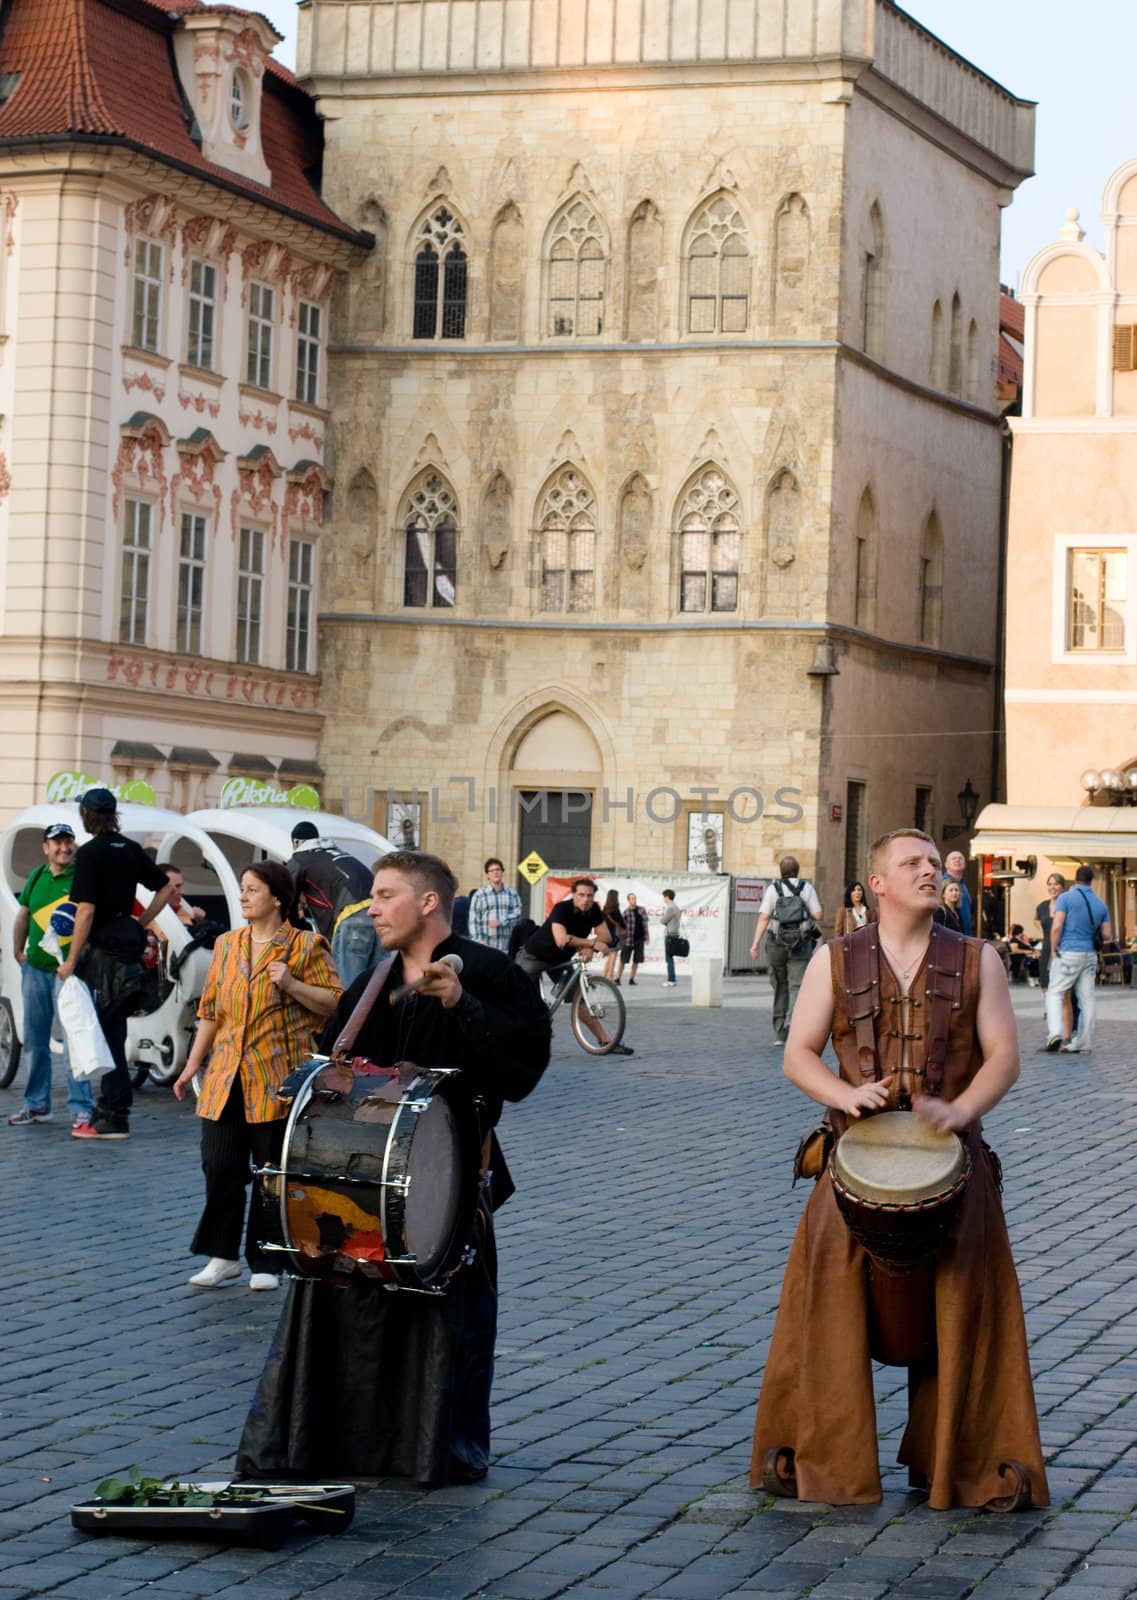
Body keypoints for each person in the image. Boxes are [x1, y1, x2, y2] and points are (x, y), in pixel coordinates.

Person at [751, 828, 1048, 1511]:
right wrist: (843, 1095)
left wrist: (960, 1109)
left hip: (956, 1171)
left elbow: (1002, 1055)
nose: (928, 871)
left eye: (931, 862)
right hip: (849, 1169)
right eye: (909, 863)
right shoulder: (834, 959)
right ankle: (830, 1465)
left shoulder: (980, 959)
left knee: (964, 1319)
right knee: (828, 1321)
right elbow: (797, 1053)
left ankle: (961, 1466)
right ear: (876, 883)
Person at [236, 849, 552, 1485]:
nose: (371, 908)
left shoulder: (491, 973)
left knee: (438, 1319)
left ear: (428, 902)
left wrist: (462, 1004)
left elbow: (521, 1071)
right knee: (344, 1313)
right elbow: (335, 1071)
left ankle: (426, 1450)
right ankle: (332, 1445)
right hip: (354, 1189)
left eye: (384, 896)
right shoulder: (373, 983)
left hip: (447, 1187)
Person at [172, 861, 342, 1291]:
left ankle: (267, 1259)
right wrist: (192, 1064)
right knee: (220, 1166)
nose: (244, 896)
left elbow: (335, 1005)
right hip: (225, 1077)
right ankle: (222, 1256)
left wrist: (291, 984)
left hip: (276, 1080)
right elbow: (210, 1010)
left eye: (252, 890)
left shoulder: (305, 946)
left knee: (272, 1173)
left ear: (277, 899)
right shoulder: (228, 945)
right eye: (243, 889)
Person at [56, 788, 176, 1140]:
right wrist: (140, 922)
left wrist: (72, 959)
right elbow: (166, 887)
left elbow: (86, 910)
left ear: (86, 815)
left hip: (103, 955)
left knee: (106, 1034)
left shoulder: (91, 853)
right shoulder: (131, 849)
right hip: (126, 950)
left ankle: (114, 1113)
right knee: (114, 1031)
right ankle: (111, 1108)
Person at [7, 823, 95, 1133]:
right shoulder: (36, 876)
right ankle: (37, 1105)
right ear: (46, 848)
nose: (64, 848)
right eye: (57, 843)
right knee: (34, 1040)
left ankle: (83, 1109)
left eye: (68, 842)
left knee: (74, 1042)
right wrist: (19, 951)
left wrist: (72, 962)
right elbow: (23, 914)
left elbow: (87, 918)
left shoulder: (82, 878)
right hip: (35, 968)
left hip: (69, 973)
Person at [517, 878, 634, 1055]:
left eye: (590, 895)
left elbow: (607, 937)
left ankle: (607, 1041)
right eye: (581, 895)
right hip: (533, 956)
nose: (586, 899)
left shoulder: (594, 909)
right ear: (573, 895)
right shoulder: (561, 909)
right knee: (522, 999)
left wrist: (589, 945)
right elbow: (561, 939)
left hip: (560, 961)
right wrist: (591, 944)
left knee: (579, 999)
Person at [287, 821, 380, 988]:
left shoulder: (300, 858)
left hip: (352, 917)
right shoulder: (337, 853)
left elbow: (286, 896)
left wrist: (293, 928)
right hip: (379, 913)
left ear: (295, 842)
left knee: (347, 988)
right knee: (374, 987)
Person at [749, 856, 822, 1045]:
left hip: (776, 943)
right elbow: (818, 914)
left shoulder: (774, 889)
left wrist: (755, 944)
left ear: (780, 871)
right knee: (797, 986)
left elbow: (764, 918)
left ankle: (779, 1032)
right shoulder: (806, 888)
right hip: (801, 943)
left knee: (780, 985)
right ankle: (794, 1026)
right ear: (797, 870)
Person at [1044, 865, 1111, 1054]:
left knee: (1055, 992)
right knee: (1087, 999)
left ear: (1076, 878)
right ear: (1092, 880)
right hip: (1089, 955)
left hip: (1068, 951)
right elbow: (1107, 935)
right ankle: (1083, 1042)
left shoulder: (1065, 898)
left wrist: (1054, 948)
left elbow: (1057, 926)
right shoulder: (1100, 903)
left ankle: (1055, 1033)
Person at [1035, 873, 1073, 1036]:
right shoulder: (1042, 906)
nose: (1052, 887)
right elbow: (1036, 919)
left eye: (1056, 884)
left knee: (1064, 993)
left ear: (1063, 887)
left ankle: (1065, 1032)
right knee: (1045, 987)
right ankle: (1053, 1028)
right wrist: (1044, 933)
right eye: (1050, 884)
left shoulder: (1067, 906)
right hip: (1046, 950)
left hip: (1062, 951)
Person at [468, 859, 523, 954]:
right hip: (486, 947)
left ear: (502, 872)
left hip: (507, 947)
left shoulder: (512, 894)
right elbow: (474, 921)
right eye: (492, 871)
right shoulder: (479, 895)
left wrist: (502, 921)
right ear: (487, 875)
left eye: (498, 869)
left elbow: (518, 915)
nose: (495, 872)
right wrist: (478, 941)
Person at [617, 893, 649, 986]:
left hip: (640, 939)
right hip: (628, 940)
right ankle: (618, 978)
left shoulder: (642, 910)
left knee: (636, 960)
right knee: (623, 960)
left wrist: (647, 937)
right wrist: (622, 938)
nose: (633, 900)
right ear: (628, 900)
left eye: (634, 898)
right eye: (631, 898)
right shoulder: (625, 913)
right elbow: (621, 927)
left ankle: (632, 978)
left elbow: (645, 925)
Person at [943, 851, 973, 934]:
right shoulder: (942, 884)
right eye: (953, 858)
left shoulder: (963, 885)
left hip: (965, 936)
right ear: (946, 864)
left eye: (960, 858)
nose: (957, 860)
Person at [600, 888, 625, 980]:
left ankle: (604, 975)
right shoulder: (615, 909)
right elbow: (621, 922)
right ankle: (610, 976)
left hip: (606, 934)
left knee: (610, 954)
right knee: (613, 955)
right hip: (615, 934)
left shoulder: (604, 909)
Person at [661, 889, 681, 986]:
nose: (663, 899)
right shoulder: (676, 907)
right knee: (670, 958)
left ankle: (671, 979)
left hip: (670, 934)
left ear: (667, 897)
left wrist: (664, 920)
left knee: (669, 958)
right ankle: (672, 978)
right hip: (675, 933)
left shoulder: (670, 908)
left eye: (664, 897)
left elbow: (663, 920)